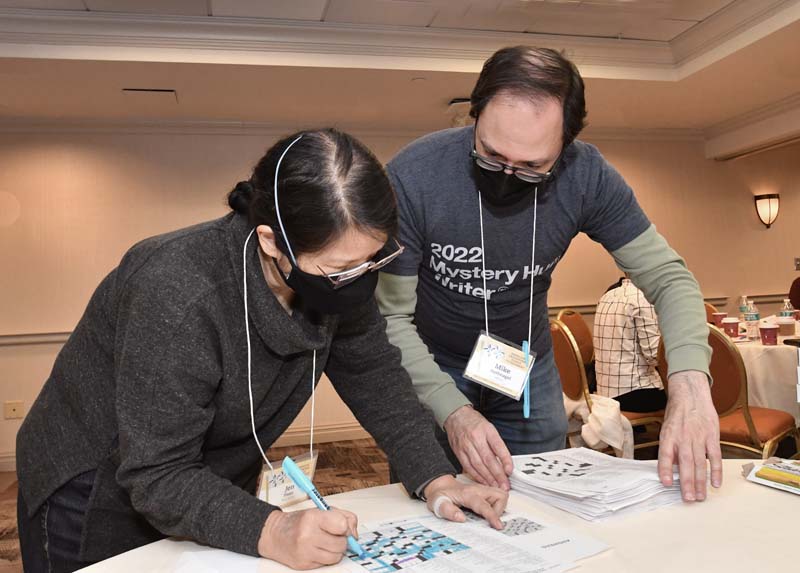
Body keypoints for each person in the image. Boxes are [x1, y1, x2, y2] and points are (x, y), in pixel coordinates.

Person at [16, 129, 508, 572]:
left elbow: (376, 376)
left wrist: (435, 477)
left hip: (202, 475)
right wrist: (273, 531)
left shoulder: (339, 274)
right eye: (340, 268)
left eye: (372, 260)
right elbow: (156, 471)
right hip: (97, 486)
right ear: (272, 242)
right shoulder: (178, 291)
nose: (358, 279)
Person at [376, 46, 721, 502]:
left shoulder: (588, 177)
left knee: (543, 501)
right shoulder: (413, 176)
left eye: (532, 167)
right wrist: (453, 411)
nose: (506, 175)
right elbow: (391, 319)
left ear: (565, 146)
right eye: (491, 155)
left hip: (523, 362)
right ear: (474, 115)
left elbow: (670, 278)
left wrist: (691, 384)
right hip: (432, 360)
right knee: (437, 495)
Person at [593, 277, 667, 413]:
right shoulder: (644, 298)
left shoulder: (607, 296)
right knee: (687, 393)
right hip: (634, 392)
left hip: (605, 392)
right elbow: (655, 357)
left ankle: (638, 431)